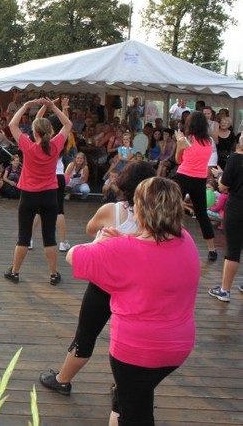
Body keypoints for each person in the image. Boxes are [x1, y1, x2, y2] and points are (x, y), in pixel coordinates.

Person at [66, 177, 198, 426]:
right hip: (178, 346)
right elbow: (150, 249)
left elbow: (74, 256)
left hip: (137, 352)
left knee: (136, 416)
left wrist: (101, 243)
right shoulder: (186, 239)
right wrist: (122, 242)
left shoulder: (123, 250)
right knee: (130, 398)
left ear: (140, 210)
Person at [40, 161, 156, 396]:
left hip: (105, 284)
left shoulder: (112, 210)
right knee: (130, 340)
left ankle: (63, 380)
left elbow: (91, 229)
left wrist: (113, 236)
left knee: (86, 333)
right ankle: (122, 385)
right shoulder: (157, 217)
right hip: (138, 287)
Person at [3, 98, 71, 285]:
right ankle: (53, 274)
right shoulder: (56, 145)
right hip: (49, 195)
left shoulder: (28, 146)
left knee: (23, 237)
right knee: (49, 237)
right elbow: (68, 124)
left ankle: (15, 272)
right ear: (50, 132)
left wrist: (26, 106)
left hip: (29, 195)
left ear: (34, 133)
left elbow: (12, 124)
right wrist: (53, 107)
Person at [174, 112, 218, 260]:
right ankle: (212, 249)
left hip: (184, 176)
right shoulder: (208, 141)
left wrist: (179, 142)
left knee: (173, 209)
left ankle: (172, 242)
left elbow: (178, 160)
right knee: (202, 214)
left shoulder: (186, 140)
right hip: (200, 179)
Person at [209, 134, 243, 302]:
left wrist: (220, 175)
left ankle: (225, 290)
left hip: (237, 206)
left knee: (233, 250)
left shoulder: (236, 159)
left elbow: (223, 187)